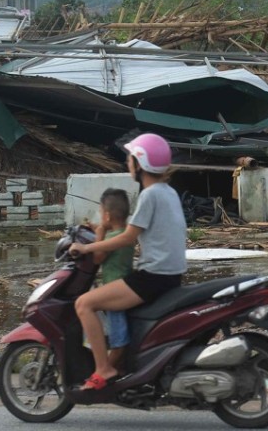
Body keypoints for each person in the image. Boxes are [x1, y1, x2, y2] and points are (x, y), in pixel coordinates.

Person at [70, 133, 187, 391]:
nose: (128, 163)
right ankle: (122, 364)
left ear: (140, 163)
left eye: (130, 159)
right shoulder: (169, 192)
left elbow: (127, 238)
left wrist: (86, 247)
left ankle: (104, 368)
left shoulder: (150, 195)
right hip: (169, 275)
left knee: (84, 303)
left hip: (153, 277)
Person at [92, 188, 134, 373]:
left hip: (115, 293)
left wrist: (99, 232)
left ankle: (105, 371)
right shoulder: (125, 233)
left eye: (101, 213)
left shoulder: (112, 238)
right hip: (123, 286)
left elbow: (97, 257)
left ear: (107, 216)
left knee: (119, 340)